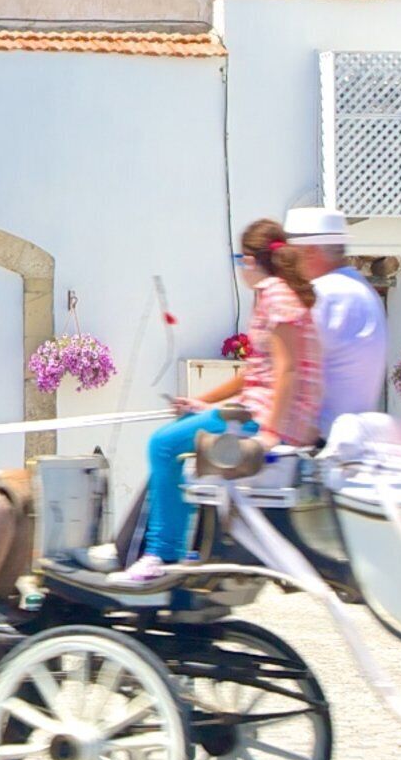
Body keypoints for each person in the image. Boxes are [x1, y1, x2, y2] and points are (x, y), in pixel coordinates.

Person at [120, 218, 316, 585]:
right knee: (176, 441)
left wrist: (270, 433)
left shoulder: (275, 295)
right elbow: (259, 372)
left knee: (162, 445)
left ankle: (162, 553)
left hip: (263, 418)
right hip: (256, 409)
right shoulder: (279, 293)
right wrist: (202, 402)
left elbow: (288, 371)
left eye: (240, 260)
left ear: (251, 261)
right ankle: (180, 545)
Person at [286, 207, 386, 446]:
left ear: (309, 252)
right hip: (353, 439)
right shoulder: (364, 291)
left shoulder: (323, 293)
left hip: (318, 443)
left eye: (290, 253)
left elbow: (287, 368)